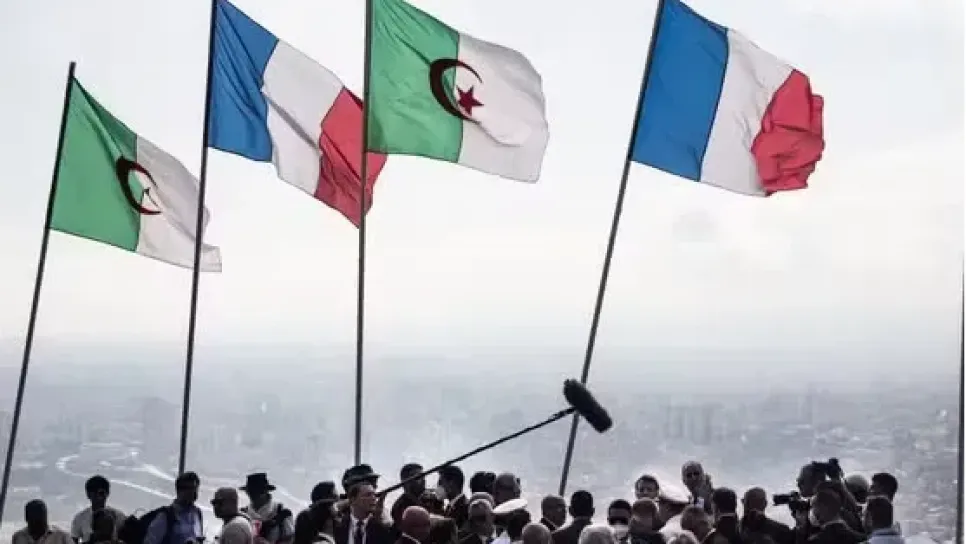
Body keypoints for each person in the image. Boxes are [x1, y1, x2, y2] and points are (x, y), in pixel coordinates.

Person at [144, 472, 204, 544]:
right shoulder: (165, 516)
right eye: (189, 488)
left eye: (195, 488)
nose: (193, 492)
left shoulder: (197, 513)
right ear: (179, 491)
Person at [241, 473, 295, 544]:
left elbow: (291, 540)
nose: (254, 495)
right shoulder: (243, 515)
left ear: (266, 491)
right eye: (251, 492)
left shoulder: (282, 513)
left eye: (258, 491)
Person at [71, 476, 126, 544]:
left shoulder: (119, 516)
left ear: (107, 493)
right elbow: (73, 541)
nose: (98, 497)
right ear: (88, 495)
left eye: (101, 493)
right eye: (93, 493)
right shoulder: (80, 518)